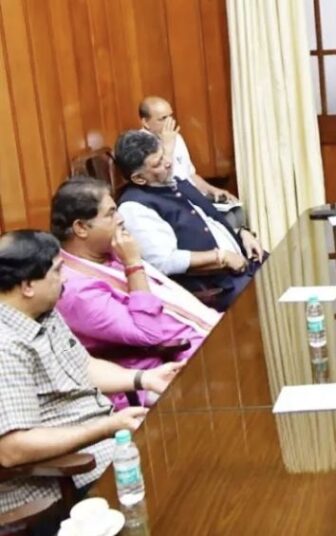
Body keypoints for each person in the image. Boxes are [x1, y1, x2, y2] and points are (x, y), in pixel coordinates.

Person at [0, 230, 181, 528]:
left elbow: (83, 367)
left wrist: (144, 378)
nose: (65, 280)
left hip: (106, 447)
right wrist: (107, 427)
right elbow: (12, 449)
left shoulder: (42, 311)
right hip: (64, 481)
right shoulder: (6, 346)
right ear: (27, 286)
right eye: (57, 271)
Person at [51, 177, 221, 407]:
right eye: (110, 214)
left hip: (203, 333)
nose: (120, 218)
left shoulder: (110, 252)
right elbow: (148, 334)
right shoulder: (75, 290)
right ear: (81, 228)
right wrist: (133, 264)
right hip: (166, 368)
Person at [114, 130, 263, 312]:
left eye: (164, 155)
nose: (168, 162)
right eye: (158, 163)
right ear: (139, 178)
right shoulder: (134, 208)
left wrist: (241, 233)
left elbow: (207, 220)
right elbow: (164, 261)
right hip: (218, 287)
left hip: (244, 262)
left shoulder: (172, 181)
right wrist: (221, 257)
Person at [139, 96, 236, 202]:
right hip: (170, 199)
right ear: (145, 122)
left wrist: (212, 189)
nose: (170, 122)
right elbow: (161, 181)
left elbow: (189, 175)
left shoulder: (176, 137)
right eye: (163, 119)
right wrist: (167, 147)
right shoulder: (140, 145)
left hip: (191, 194)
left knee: (234, 207)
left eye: (170, 116)